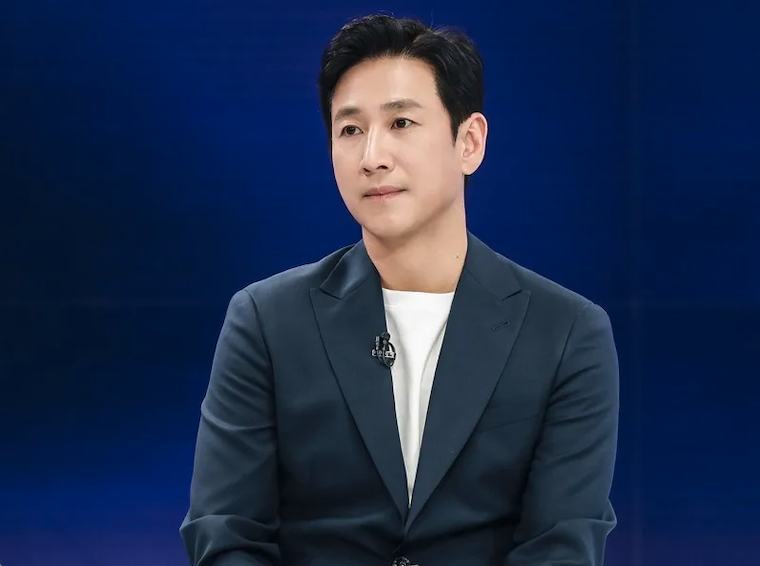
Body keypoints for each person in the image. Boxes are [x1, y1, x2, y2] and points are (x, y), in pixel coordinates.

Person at [179, 13, 619, 566]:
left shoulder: (566, 333)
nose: (373, 157)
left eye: (401, 123)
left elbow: (560, 547)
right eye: (350, 130)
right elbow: (226, 535)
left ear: (469, 142)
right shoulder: (266, 322)